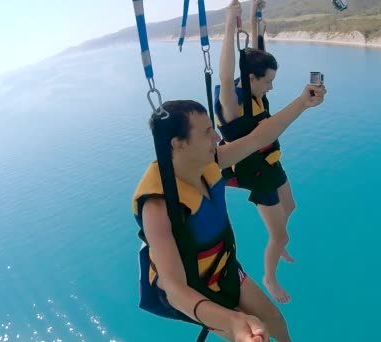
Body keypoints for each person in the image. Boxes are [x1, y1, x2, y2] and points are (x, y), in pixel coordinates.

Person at [132, 83, 325, 341]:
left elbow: (259, 137)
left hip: (223, 268)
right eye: (207, 132)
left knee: (274, 320)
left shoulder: (208, 163)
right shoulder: (157, 207)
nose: (216, 138)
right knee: (254, 334)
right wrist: (233, 321)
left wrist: (302, 103)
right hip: (194, 289)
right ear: (179, 145)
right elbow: (175, 290)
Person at [214, 0, 297, 304]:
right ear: (251, 78)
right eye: (269, 82)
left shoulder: (253, 82)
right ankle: (270, 277)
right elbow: (224, 75)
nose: (272, 88)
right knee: (280, 234)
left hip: (270, 161)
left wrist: (253, 13)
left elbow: (257, 44)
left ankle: (278, 241)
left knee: (291, 207)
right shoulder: (232, 103)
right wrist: (228, 22)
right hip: (256, 172)